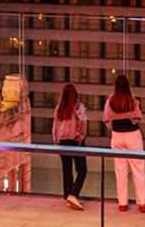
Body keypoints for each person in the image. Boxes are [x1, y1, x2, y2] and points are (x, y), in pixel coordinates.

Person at [103, 74, 145, 213]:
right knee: (138, 169)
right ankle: (142, 203)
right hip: (132, 134)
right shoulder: (132, 101)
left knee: (120, 170)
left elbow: (106, 118)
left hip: (117, 135)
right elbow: (137, 116)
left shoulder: (111, 101)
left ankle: (122, 203)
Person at [52, 83, 88, 211]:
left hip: (62, 142)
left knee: (67, 171)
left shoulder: (59, 109)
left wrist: (56, 143)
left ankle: (68, 196)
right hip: (75, 141)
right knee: (82, 170)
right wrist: (80, 136)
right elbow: (82, 123)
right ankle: (73, 194)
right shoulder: (78, 108)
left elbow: (55, 128)